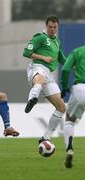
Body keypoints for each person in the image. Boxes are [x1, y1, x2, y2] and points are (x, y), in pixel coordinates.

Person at [23, 15, 66, 143]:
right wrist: (43, 57)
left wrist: (74, 65)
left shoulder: (57, 42)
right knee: (39, 79)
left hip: (49, 76)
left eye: (54, 27)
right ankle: (32, 98)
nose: (52, 29)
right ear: (46, 26)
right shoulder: (40, 37)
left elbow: (62, 59)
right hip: (37, 67)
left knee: (62, 108)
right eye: (50, 27)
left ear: (57, 27)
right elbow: (26, 53)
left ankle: (45, 137)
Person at [61, 45, 85, 168]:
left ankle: (69, 148)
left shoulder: (77, 51)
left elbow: (65, 69)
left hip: (80, 89)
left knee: (69, 120)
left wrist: (64, 87)